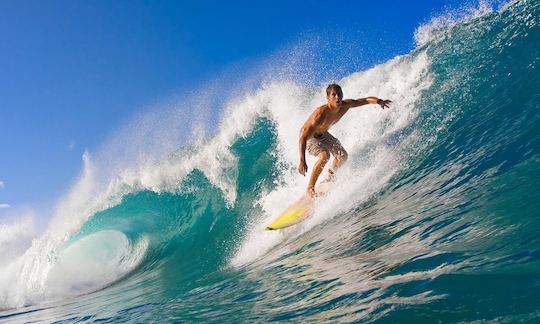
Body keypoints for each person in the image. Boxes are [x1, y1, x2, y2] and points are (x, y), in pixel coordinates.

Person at [298, 83, 392, 198]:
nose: (337, 97)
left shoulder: (345, 105)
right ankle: (310, 188)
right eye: (334, 95)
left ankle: (330, 177)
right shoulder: (320, 114)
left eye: (339, 94)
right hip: (309, 138)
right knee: (325, 156)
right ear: (328, 98)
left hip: (323, 134)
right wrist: (302, 161)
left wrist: (379, 101)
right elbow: (303, 137)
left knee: (342, 156)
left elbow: (364, 100)